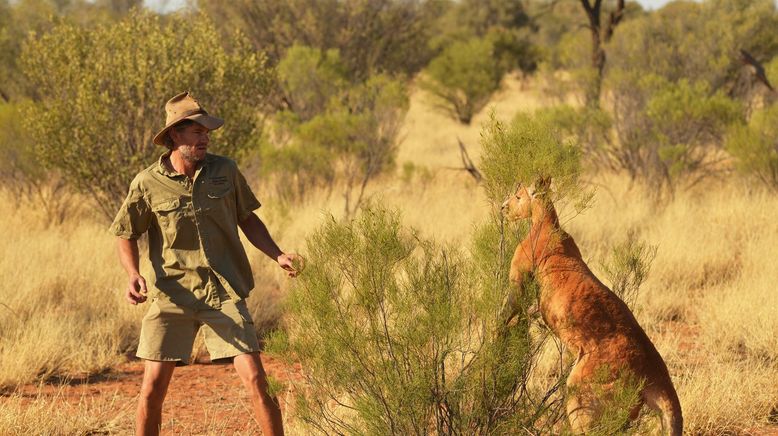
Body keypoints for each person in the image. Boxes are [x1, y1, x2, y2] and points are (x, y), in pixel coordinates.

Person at [110, 92, 300, 436]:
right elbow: (126, 232)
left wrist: (279, 254)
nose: (205, 138)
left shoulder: (225, 170)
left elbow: (248, 218)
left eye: (207, 131)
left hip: (223, 292)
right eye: (196, 131)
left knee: (257, 379)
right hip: (172, 295)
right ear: (174, 136)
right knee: (152, 389)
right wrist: (133, 274)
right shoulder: (147, 183)